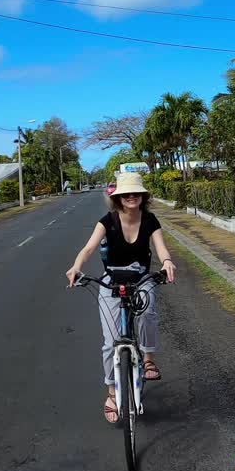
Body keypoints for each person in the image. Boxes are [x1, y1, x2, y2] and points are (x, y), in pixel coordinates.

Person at [65, 171, 177, 423]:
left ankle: (148, 360)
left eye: (136, 193)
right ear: (118, 198)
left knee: (148, 311)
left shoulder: (150, 220)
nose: (131, 197)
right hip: (111, 282)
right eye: (126, 194)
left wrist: (167, 262)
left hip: (141, 278)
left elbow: (161, 248)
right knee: (110, 342)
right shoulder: (107, 221)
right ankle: (112, 393)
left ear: (143, 196)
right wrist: (77, 266)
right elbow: (89, 247)